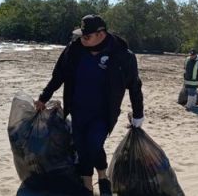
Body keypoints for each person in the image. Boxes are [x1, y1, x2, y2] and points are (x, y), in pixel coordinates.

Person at [34, 14, 145, 196]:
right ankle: (94, 180)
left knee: (93, 144)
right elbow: (58, 76)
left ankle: (95, 181)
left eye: (87, 37)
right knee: (81, 145)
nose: (82, 40)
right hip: (78, 109)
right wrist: (43, 98)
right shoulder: (74, 50)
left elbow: (134, 86)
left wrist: (138, 114)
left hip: (104, 113)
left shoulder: (122, 55)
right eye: (81, 36)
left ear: (101, 34)